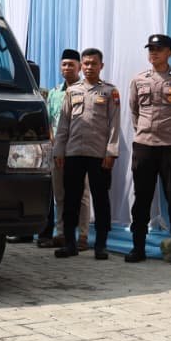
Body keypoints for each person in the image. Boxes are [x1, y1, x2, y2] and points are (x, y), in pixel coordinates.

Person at [127, 34, 171, 265]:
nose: (153, 53)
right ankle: (138, 247)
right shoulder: (138, 79)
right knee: (142, 198)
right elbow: (134, 111)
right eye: (151, 49)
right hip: (144, 146)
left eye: (159, 49)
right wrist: (143, 133)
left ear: (170, 52)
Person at [12, 49, 91, 247]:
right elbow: (50, 121)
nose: (67, 68)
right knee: (59, 195)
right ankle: (61, 233)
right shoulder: (55, 93)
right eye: (64, 64)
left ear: (79, 67)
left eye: (71, 64)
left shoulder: (86, 90)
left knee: (81, 195)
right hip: (57, 151)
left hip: (79, 149)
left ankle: (82, 236)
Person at [52, 48, 120, 259]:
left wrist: (111, 151)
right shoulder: (72, 91)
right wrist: (59, 150)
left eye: (94, 63)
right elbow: (63, 123)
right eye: (86, 63)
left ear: (102, 66)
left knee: (101, 200)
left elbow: (114, 125)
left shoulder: (109, 91)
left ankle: (100, 245)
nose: (90, 67)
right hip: (73, 153)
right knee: (71, 199)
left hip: (99, 155)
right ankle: (70, 244)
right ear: (82, 65)